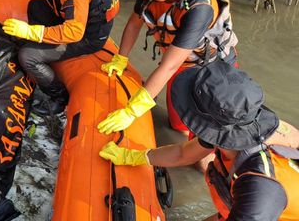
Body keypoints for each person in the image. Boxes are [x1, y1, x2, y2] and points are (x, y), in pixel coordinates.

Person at [99, 61, 299, 221]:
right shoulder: (237, 127)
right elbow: (183, 154)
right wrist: (134, 156)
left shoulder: (259, 188)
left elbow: (257, 207)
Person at [97, 0, 238, 135]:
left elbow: (169, 65)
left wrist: (131, 111)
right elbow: (134, 24)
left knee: (198, 137)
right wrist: (121, 58)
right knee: (177, 125)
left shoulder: (200, 7)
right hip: (179, 64)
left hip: (211, 68)